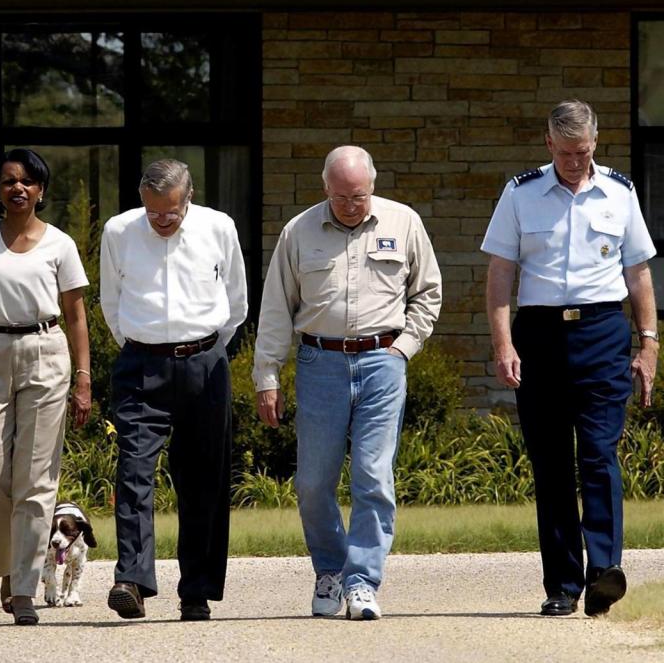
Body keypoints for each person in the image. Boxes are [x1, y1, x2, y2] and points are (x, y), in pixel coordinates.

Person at [482, 99, 658, 617]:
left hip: (603, 333)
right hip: (538, 337)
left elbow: (639, 274)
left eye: (582, 152)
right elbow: (498, 277)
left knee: (599, 454)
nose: (574, 163)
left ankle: (603, 573)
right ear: (548, 145)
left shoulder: (620, 194)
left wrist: (649, 343)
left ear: (594, 144)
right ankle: (562, 584)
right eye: (565, 153)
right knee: (552, 463)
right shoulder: (520, 193)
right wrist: (502, 343)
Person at [253, 145, 441, 621]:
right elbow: (276, 307)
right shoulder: (300, 230)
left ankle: (362, 583)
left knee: (373, 477)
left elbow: (428, 292)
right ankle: (330, 571)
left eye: (359, 196)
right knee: (314, 483)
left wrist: (404, 347)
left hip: (383, 361)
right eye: (341, 197)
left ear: (372, 187)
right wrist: (267, 375)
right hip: (321, 363)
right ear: (325, 189)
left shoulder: (403, 222)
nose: (351, 205)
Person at [0, 148, 91, 626]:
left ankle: (22, 587)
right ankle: (9, 561)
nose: (17, 188)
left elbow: (76, 315)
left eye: (27, 181)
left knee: (35, 478)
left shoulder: (61, 245)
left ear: (41, 190)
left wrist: (84, 378)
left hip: (47, 351)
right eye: (8, 181)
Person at [99, 159, 247, 622]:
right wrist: (141, 346)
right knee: (134, 471)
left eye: (171, 212)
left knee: (204, 478)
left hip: (205, 360)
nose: (162, 220)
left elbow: (236, 300)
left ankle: (196, 591)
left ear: (189, 197)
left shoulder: (219, 227)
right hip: (142, 363)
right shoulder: (119, 231)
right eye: (153, 212)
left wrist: (207, 349)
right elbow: (111, 301)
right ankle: (132, 580)